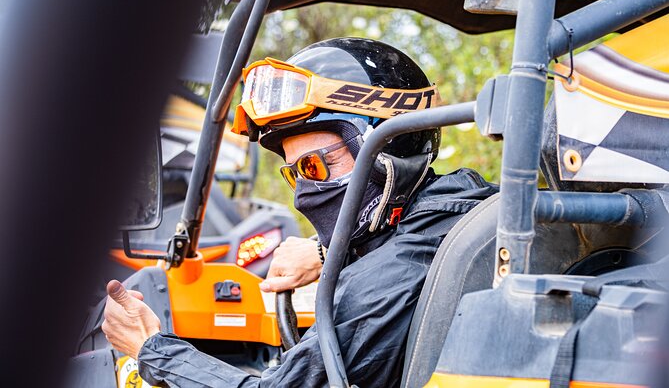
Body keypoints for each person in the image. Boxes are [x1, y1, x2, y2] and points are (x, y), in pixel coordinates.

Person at [102, 37, 498, 387]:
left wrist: (151, 349)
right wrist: (330, 252)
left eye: (314, 166)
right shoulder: (465, 211)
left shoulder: (385, 280)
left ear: (388, 149)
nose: (305, 192)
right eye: (296, 173)